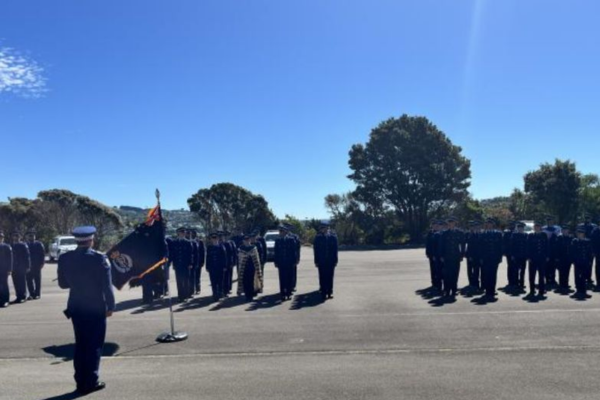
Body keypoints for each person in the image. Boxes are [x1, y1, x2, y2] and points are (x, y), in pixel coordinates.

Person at [57, 226, 115, 395]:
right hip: (96, 307)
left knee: (81, 344)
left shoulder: (65, 258)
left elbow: (63, 284)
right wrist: (110, 306)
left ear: (77, 240)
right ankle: (90, 381)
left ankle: (80, 381)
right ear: (91, 240)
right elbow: (107, 286)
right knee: (94, 345)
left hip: (76, 306)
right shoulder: (99, 258)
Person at [439, 217, 465, 298]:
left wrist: (462, 254)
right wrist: (442, 255)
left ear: (455, 223)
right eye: (449, 223)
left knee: (455, 273)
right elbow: (441, 246)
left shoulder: (459, 232)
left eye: (452, 222)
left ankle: (454, 290)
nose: (451, 224)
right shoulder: (444, 233)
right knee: (447, 274)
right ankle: (447, 290)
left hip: (456, 256)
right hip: (447, 257)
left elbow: (463, 244)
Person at [313, 221, 339, 300]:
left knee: (330, 277)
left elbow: (335, 250)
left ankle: (329, 292)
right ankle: (323, 292)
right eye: (321, 228)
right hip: (321, 261)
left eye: (324, 228)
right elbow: (316, 250)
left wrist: (335, 260)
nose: (322, 229)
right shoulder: (318, 238)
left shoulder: (333, 237)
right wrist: (316, 261)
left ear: (327, 228)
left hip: (330, 261)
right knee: (322, 277)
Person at [479, 218, 503, 300]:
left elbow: (500, 247)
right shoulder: (483, 234)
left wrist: (500, 257)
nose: (489, 225)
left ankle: (492, 290)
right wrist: (481, 258)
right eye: (488, 224)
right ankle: (487, 290)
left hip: (494, 258)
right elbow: (481, 247)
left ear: (493, 224)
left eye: (490, 223)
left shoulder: (498, 234)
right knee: (486, 274)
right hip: (486, 258)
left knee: (493, 275)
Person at [274, 224, 298, 301]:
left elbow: (294, 251)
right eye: (280, 231)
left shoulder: (291, 240)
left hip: (289, 262)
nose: (281, 232)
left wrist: (295, 261)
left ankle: (288, 293)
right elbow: (276, 252)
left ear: (285, 231)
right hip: (281, 263)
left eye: (282, 231)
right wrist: (276, 262)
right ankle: (283, 294)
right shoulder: (278, 240)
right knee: (282, 278)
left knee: (289, 278)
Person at [170, 227, 193, 302]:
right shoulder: (175, 242)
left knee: (186, 280)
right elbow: (173, 254)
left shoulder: (188, 242)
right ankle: (180, 296)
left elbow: (190, 254)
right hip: (178, 264)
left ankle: (186, 296)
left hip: (186, 265)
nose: (183, 234)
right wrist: (172, 263)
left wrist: (190, 263)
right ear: (178, 233)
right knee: (179, 281)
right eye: (181, 232)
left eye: (184, 232)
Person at [237, 233, 263, 301]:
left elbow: (257, 259)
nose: (247, 241)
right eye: (245, 240)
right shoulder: (241, 249)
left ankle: (251, 294)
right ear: (243, 241)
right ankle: (246, 294)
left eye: (248, 239)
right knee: (245, 281)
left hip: (252, 267)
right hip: (244, 268)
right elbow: (240, 260)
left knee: (251, 281)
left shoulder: (253, 248)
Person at [527, 221, 549, 297]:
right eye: (535, 227)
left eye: (538, 227)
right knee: (532, 275)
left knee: (541, 275)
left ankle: (541, 290)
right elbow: (528, 247)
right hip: (532, 259)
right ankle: (532, 290)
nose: (537, 228)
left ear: (540, 228)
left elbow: (547, 246)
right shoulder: (530, 235)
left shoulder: (544, 235)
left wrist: (547, 256)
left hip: (541, 258)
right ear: (534, 228)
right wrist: (529, 257)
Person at [571, 227, 593, 299]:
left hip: (585, 261)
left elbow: (589, 253)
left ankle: (583, 290)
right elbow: (573, 252)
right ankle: (578, 290)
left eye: (581, 234)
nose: (579, 235)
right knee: (577, 276)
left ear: (583, 234)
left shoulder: (587, 241)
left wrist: (590, 261)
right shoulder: (575, 241)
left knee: (584, 276)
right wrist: (574, 260)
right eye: (578, 233)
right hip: (577, 262)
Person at [206, 232, 227, 301]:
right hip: (212, 268)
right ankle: (214, 295)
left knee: (220, 281)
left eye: (215, 238)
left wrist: (224, 266)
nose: (214, 239)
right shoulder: (209, 247)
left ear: (218, 238)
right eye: (213, 238)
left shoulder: (221, 247)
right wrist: (207, 266)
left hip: (220, 267)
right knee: (213, 282)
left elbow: (224, 257)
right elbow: (208, 257)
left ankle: (220, 294)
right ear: (211, 239)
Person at [10, 232, 31, 303]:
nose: (16, 238)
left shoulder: (23, 245)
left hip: (22, 267)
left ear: (20, 237)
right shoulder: (11, 245)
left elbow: (27, 256)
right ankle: (18, 296)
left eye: (17, 236)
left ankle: (23, 296)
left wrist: (28, 266)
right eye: (14, 236)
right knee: (15, 283)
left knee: (22, 282)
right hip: (14, 267)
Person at [25, 230, 45, 300]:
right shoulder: (26, 244)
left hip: (37, 265)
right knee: (29, 280)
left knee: (37, 280)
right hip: (28, 265)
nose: (31, 237)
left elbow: (42, 254)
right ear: (27, 237)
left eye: (33, 235)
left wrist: (42, 263)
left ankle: (37, 294)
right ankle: (31, 294)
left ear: (35, 236)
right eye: (30, 235)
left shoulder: (39, 244)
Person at [510, 222, 529, 290]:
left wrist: (527, 255)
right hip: (516, 255)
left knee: (523, 271)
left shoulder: (526, 235)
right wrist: (512, 255)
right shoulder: (514, 235)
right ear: (517, 229)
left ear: (523, 229)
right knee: (516, 270)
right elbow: (512, 246)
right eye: (519, 228)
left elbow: (528, 246)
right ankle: (515, 283)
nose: (520, 229)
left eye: (522, 228)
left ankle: (521, 283)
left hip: (523, 256)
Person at [465, 221, 482, 293]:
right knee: (470, 270)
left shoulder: (481, 235)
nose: (475, 228)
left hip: (478, 256)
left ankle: (476, 284)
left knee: (477, 270)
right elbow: (468, 246)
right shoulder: (469, 234)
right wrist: (469, 256)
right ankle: (471, 283)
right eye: (474, 226)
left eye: (477, 226)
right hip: (470, 255)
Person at [556, 226, 574, 294]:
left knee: (567, 272)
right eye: (563, 230)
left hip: (568, 258)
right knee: (561, 272)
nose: (565, 231)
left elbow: (572, 249)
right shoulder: (559, 238)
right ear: (562, 231)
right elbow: (556, 249)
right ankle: (561, 285)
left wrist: (572, 258)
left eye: (566, 230)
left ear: (568, 230)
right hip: (561, 258)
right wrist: (557, 258)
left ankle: (566, 285)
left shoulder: (571, 238)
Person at [425, 221, 442, 292]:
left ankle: (438, 284)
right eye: (434, 225)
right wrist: (428, 253)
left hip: (438, 255)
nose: (435, 227)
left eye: (437, 225)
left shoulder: (441, 234)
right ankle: (434, 283)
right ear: (431, 226)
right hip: (431, 255)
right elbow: (428, 244)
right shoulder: (430, 233)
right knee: (433, 269)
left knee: (439, 270)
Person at [0, 232, 12, 307]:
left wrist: (9, 269)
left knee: (4, 285)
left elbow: (10, 259)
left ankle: (6, 300)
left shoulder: (6, 247)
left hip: (4, 269)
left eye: (1, 237)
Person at [191, 229, 205, 295]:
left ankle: (198, 288)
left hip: (198, 262)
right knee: (191, 276)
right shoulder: (189, 241)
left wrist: (202, 261)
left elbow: (202, 252)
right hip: (191, 262)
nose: (193, 235)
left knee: (197, 276)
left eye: (194, 233)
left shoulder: (200, 242)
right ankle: (192, 289)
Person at [502, 221, 516, 289]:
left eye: (512, 225)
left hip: (516, 253)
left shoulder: (516, 233)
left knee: (515, 268)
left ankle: (515, 282)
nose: (512, 227)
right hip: (509, 253)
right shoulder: (506, 233)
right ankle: (510, 282)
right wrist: (504, 252)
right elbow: (504, 243)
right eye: (510, 225)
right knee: (510, 267)